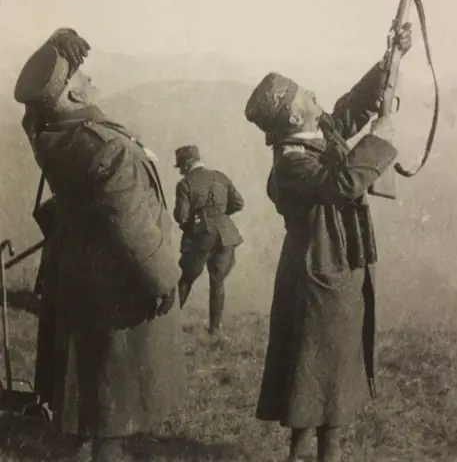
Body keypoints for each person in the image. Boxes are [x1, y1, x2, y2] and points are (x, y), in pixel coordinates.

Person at [14, 28, 184, 462]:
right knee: (113, 408)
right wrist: (164, 281)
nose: (92, 83)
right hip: (117, 291)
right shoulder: (106, 148)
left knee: (87, 395)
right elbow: (134, 228)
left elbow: (36, 116)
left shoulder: (50, 138)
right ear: (70, 95)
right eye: (82, 79)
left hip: (78, 277)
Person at [244, 24, 412, 462]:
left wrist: (388, 62)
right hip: (317, 278)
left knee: (330, 387)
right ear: (295, 119)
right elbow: (341, 182)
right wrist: (383, 133)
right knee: (310, 387)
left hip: (331, 270)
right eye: (306, 97)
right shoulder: (292, 165)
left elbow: (350, 109)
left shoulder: (310, 136)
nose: (315, 96)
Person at [173, 145, 244, 336]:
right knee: (218, 281)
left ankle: (168, 327)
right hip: (226, 236)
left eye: (181, 165)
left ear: (188, 163)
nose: (180, 170)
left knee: (186, 280)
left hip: (200, 237)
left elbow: (181, 216)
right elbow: (239, 203)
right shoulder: (220, 176)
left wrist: (198, 222)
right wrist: (218, 215)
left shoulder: (185, 184)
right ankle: (215, 330)